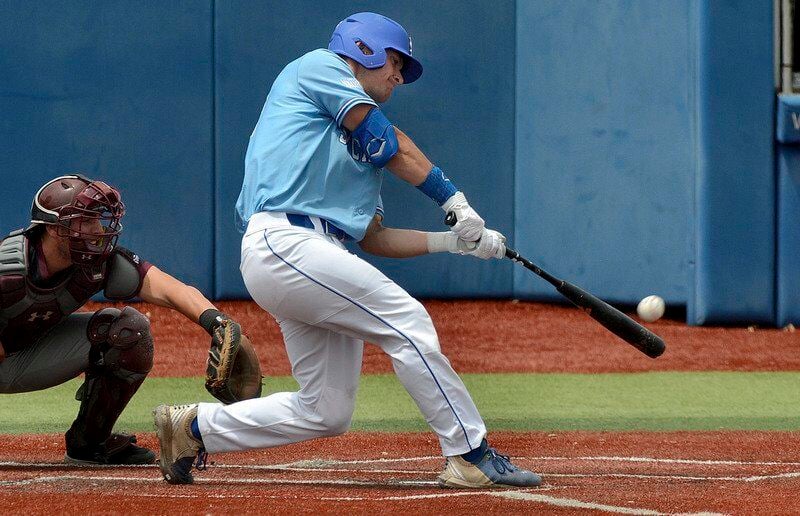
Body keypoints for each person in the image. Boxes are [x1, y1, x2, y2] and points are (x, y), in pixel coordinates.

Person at [154, 12, 541, 488]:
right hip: (285, 240)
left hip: (312, 255)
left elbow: (374, 239)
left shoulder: (359, 155)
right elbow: (392, 142)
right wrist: (454, 201)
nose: (399, 76)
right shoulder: (318, 67)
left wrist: (455, 243)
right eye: (395, 62)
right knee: (408, 321)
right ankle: (468, 452)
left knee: (327, 409)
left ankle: (192, 427)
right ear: (364, 49)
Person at [0, 174, 241, 465]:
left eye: (97, 220)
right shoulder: (9, 269)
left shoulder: (97, 260)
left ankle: (89, 444)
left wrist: (217, 323)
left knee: (128, 331)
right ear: (55, 229)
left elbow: (169, 288)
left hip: (23, 355)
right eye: (85, 221)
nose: (97, 229)